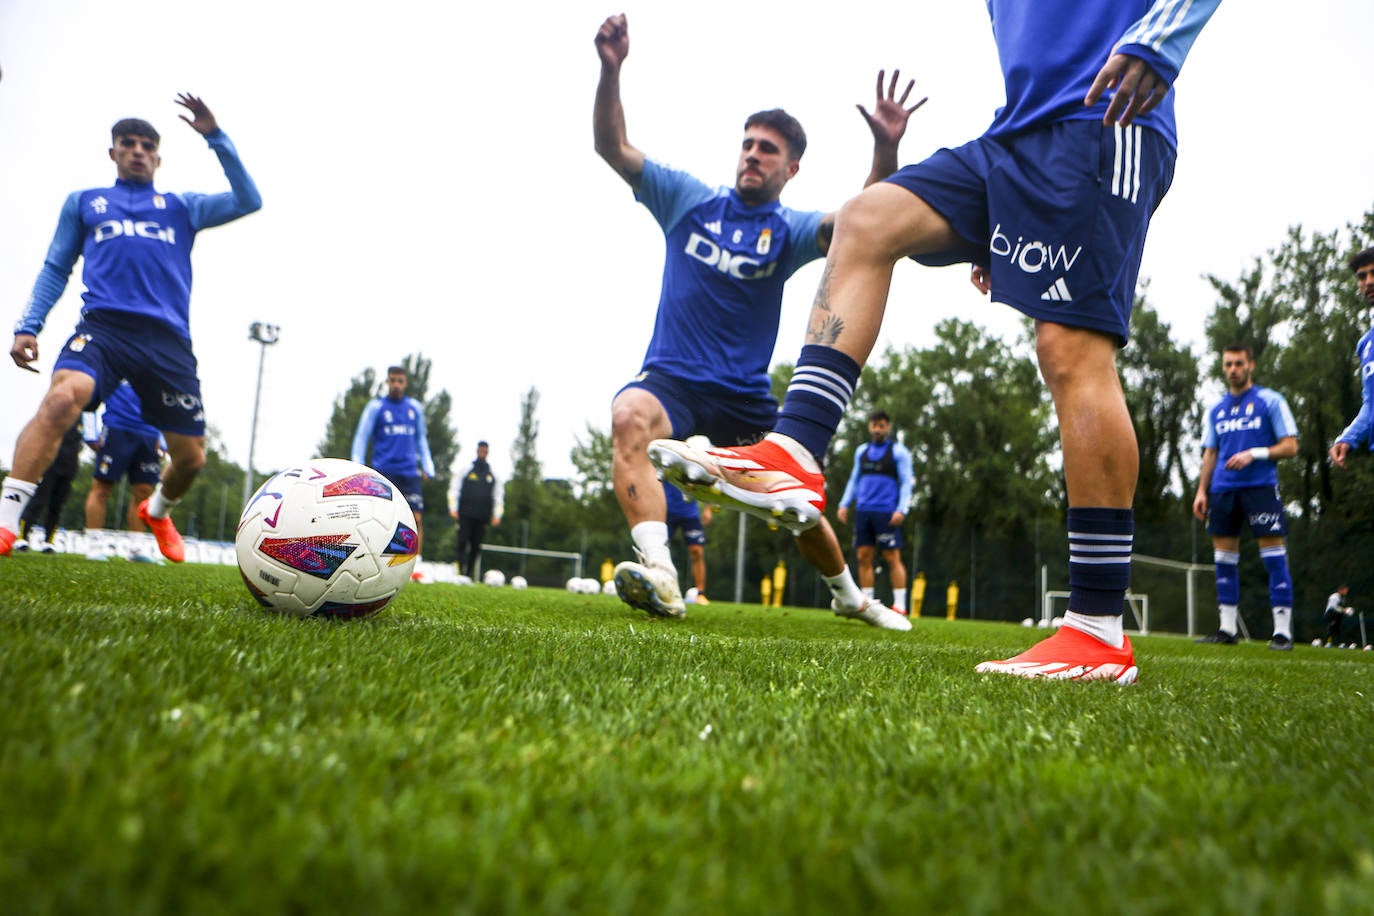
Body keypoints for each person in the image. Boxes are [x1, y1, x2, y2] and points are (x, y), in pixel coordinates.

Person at [651, 1, 1222, 681]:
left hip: (1106, 118)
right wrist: (1000, 218)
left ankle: (1097, 631)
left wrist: (1162, 39)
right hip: (1016, 138)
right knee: (867, 219)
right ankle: (795, 448)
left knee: (1070, 350)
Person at [593, 12, 918, 630]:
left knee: (798, 501)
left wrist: (885, 148)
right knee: (628, 415)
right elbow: (613, 146)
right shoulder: (687, 201)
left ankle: (851, 597)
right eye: (747, 144)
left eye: (767, 149)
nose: (752, 155)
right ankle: (662, 574)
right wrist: (612, 71)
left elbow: (864, 224)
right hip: (673, 381)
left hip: (744, 394)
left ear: (790, 168)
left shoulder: (788, 229)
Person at [2, 94, 262, 561]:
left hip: (166, 342)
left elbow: (249, 199)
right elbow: (56, 266)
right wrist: (29, 325)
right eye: (128, 144)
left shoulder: (182, 207)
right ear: (113, 152)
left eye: (146, 145)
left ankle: (157, 511)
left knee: (191, 458)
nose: (138, 151)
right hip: (104, 329)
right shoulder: (85, 203)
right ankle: (6, 520)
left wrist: (215, 138)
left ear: (158, 157)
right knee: (63, 397)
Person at [1191, 345, 1299, 650]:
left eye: (1239, 363)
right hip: (1222, 490)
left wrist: (1255, 453)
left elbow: (1291, 446)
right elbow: (1210, 451)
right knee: (1224, 560)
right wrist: (1202, 491)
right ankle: (1227, 630)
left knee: (1274, 558)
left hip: (1260, 488)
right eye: (1228, 364)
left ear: (1250, 365)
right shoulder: (1216, 409)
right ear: (1223, 367)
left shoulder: (1270, 401)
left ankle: (1282, 633)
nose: (1233, 369)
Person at [836, 409, 914, 612]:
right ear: (869, 427)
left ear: (887, 427)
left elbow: (906, 482)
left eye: (881, 425)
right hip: (863, 511)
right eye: (874, 425)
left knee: (891, 557)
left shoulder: (898, 452)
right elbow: (854, 479)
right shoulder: (861, 451)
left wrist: (902, 509)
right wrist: (844, 504)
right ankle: (866, 603)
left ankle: (900, 605)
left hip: (887, 512)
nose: (877, 429)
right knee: (863, 556)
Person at [351, 366, 435, 550]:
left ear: (405, 383)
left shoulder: (414, 408)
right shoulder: (376, 407)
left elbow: (421, 438)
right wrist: (357, 465)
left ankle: (416, 562)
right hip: (383, 471)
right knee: (381, 518)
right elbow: (362, 436)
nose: (396, 384)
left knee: (415, 519)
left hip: (409, 471)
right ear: (388, 382)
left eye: (400, 381)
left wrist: (428, 466)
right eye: (393, 380)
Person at [83, 380, 166, 561]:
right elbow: (91, 394)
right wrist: (90, 432)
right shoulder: (116, 355)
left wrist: (163, 438)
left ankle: (136, 548)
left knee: (144, 492)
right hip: (116, 429)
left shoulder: (160, 359)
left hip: (149, 434)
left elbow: (165, 400)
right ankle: (93, 546)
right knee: (102, 487)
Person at [1329, 248, 1374, 469]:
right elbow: (1371, 404)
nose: (1369, 282)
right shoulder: (1366, 345)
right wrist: (1348, 437)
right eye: (1362, 276)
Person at [13, 422, 83, 553]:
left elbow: (91, 440)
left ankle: (48, 542)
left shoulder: (85, 417)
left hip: (70, 466)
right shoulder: (58, 413)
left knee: (57, 506)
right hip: (49, 464)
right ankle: (21, 537)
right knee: (38, 501)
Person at [449, 440, 502, 578]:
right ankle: (460, 572)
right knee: (462, 542)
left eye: (485, 451)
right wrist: (453, 507)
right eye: (481, 450)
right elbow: (454, 489)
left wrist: (497, 514)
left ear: (487, 452)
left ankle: (469, 574)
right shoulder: (466, 469)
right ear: (477, 451)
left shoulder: (493, 474)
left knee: (476, 546)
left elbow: (498, 496)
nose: (483, 453)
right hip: (465, 514)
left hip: (482, 516)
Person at [663, 480, 711, 604]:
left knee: (697, 551)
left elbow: (704, 481)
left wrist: (707, 508)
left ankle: (700, 593)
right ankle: (655, 586)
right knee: (659, 548)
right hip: (665, 509)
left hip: (689, 511)